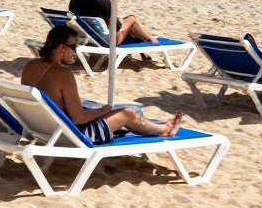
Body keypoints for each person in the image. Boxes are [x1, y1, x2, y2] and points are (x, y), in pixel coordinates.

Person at [22, 25, 182, 144]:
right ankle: (165, 130)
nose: (75, 51)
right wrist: (101, 111)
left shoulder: (30, 66)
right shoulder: (63, 74)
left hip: (39, 127)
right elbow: (78, 119)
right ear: (62, 48)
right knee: (128, 112)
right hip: (72, 133)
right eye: (73, 47)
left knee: (108, 111)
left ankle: (156, 124)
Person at [68, 0, 158, 45]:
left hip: (84, 35)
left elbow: (72, 17)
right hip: (107, 41)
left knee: (127, 21)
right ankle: (152, 40)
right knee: (132, 18)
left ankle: (149, 38)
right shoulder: (104, 2)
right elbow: (115, 26)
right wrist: (120, 23)